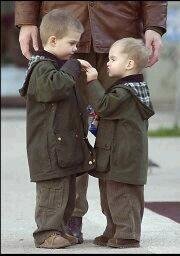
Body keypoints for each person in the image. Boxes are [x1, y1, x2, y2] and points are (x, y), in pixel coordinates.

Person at [15, 1, 167, 243]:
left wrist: (155, 25)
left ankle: (119, 227)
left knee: (118, 134)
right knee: (67, 129)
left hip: (119, 31)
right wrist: (26, 20)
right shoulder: (54, 56)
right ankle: (69, 221)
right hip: (65, 19)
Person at [19, 9, 95, 249]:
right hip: (48, 147)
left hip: (64, 145)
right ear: (52, 40)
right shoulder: (41, 67)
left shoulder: (59, 68)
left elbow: (72, 101)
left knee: (66, 192)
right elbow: (52, 89)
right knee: (52, 192)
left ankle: (60, 229)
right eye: (72, 43)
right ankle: (46, 233)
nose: (75, 48)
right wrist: (73, 67)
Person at [78, 37, 155, 248]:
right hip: (113, 156)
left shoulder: (127, 92)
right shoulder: (122, 89)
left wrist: (92, 82)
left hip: (123, 158)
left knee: (124, 196)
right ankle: (112, 229)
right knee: (110, 197)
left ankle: (128, 233)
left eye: (112, 58)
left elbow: (104, 106)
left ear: (129, 64)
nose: (108, 63)